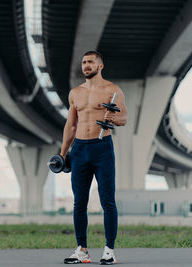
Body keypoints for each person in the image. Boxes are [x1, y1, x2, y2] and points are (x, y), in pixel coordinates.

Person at [61, 51, 128, 265]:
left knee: (107, 201)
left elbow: (124, 118)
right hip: (79, 149)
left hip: (102, 148)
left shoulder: (112, 90)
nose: (86, 66)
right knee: (79, 202)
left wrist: (113, 117)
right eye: (83, 62)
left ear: (100, 66)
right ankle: (82, 250)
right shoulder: (75, 93)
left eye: (90, 62)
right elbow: (71, 125)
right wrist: (62, 154)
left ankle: (109, 250)